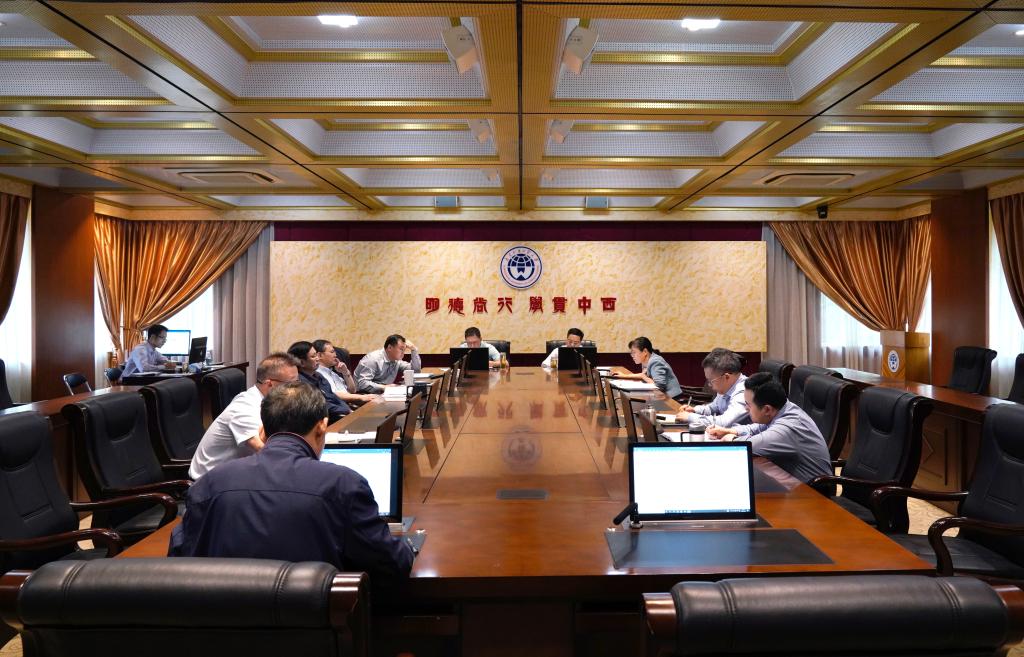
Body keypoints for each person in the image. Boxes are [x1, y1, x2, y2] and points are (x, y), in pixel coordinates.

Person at [170, 380, 414, 586]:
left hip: (226, 625)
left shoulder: (210, 482)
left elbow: (180, 558)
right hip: (315, 625)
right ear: (322, 427)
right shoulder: (344, 484)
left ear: (263, 430)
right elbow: (393, 564)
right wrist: (407, 546)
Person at [189, 352, 299, 479]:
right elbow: (264, 450)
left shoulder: (271, 402)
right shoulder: (244, 408)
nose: (297, 389)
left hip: (239, 473)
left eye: (297, 382)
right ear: (270, 384)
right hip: (210, 482)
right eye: (291, 384)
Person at [718, 376, 832, 484]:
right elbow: (758, 427)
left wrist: (733, 439)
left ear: (767, 409)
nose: (745, 408)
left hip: (813, 492)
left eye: (748, 405)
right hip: (790, 481)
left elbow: (748, 447)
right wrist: (733, 431)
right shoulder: (782, 408)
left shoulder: (787, 428)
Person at [676, 348, 764, 436]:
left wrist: (690, 417)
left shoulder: (743, 392)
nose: (709, 385)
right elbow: (713, 407)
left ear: (726, 377)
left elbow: (724, 423)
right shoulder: (727, 387)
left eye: (711, 381)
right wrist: (694, 410)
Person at [288, 341, 351, 423]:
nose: (317, 359)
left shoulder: (319, 375)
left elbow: (332, 397)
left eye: (316, 355)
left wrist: (348, 409)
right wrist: (346, 411)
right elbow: (321, 405)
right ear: (302, 363)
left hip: (339, 414)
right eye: (313, 356)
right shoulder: (300, 383)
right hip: (322, 421)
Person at [314, 339, 378, 406]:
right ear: (319, 355)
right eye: (332, 352)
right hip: (339, 408)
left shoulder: (332, 372)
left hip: (348, 404)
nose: (335, 355)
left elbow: (352, 390)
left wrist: (345, 372)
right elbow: (333, 394)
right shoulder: (317, 373)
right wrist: (361, 397)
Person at [613, 336, 682, 399]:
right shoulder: (646, 360)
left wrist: (643, 376)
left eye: (634, 352)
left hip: (672, 399)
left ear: (645, 351)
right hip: (660, 396)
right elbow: (643, 376)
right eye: (631, 353)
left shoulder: (655, 361)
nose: (632, 355)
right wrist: (624, 376)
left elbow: (659, 387)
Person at [354, 334, 421, 393]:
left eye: (404, 350)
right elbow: (362, 383)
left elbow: (415, 371)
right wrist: (384, 387)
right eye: (401, 349)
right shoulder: (373, 359)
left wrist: (413, 350)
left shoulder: (396, 361)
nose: (403, 353)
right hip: (362, 394)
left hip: (382, 394)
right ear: (389, 347)